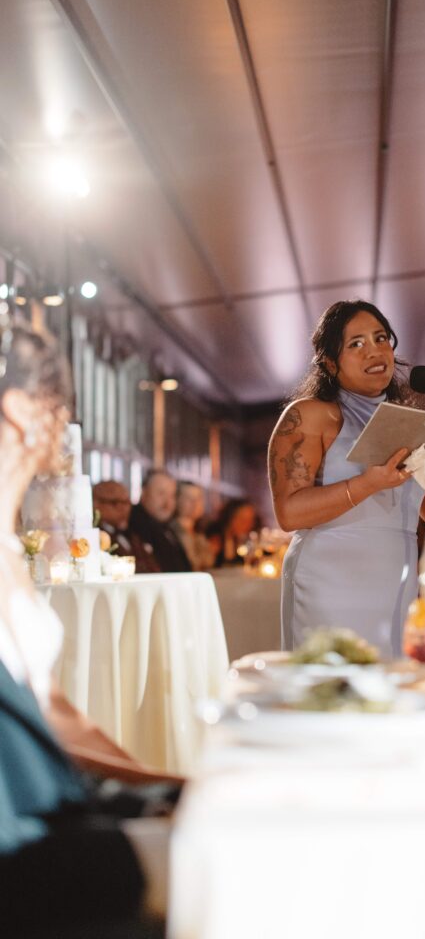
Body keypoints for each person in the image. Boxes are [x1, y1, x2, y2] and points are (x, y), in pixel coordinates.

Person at [0, 318, 171, 936]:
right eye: (60, 404)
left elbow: (53, 714)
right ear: (23, 410)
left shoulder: (10, 547)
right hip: (23, 852)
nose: (65, 423)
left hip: (59, 811)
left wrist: (164, 786)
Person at [268, 299, 425, 658]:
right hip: (328, 579)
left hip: (395, 578)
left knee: (390, 682)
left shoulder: (409, 423)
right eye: (356, 343)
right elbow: (289, 513)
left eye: (381, 338)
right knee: (332, 681)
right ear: (330, 363)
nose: (374, 351)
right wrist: (369, 483)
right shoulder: (309, 415)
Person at [128, 470, 192, 573]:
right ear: (144, 493)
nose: (167, 503)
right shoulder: (133, 526)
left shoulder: (167, 527)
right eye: (161, 494)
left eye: (172, 496)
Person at [93, 479, 161, 573]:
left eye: (126, 502)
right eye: (115, 502)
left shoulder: (134, 533)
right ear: (96, 503)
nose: (123, 508)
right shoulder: (94, 538)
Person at [172, 481, 215, 571]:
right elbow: (193, 563)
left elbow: (209, 561)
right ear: (176, 500)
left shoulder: (199, 531)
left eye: (199, 498)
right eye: (188, 498)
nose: (195, 503)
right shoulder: (172, 533)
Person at [209, 497, 259, 567]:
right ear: (231, 517)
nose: (248, 525)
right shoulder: (214, 535)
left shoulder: (245, 539)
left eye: (250, 520)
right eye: (242, 519)